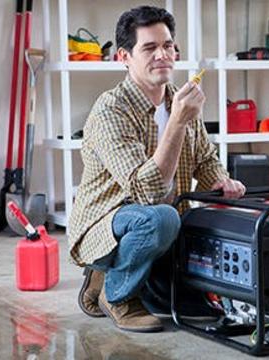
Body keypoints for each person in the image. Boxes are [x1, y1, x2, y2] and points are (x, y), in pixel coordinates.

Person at [68, 5, 246, 333]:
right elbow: (147, 193)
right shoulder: (111, 110)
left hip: (162, 226)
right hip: (108, 224)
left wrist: (224, 183)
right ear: (124, 56)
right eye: (149, 48)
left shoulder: (178, 99)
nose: (162, 55)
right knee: (161, 217)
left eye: (167, 46)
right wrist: (177, 121)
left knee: (192, 306)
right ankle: (115, 294)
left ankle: (130, 280)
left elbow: (206, 159)